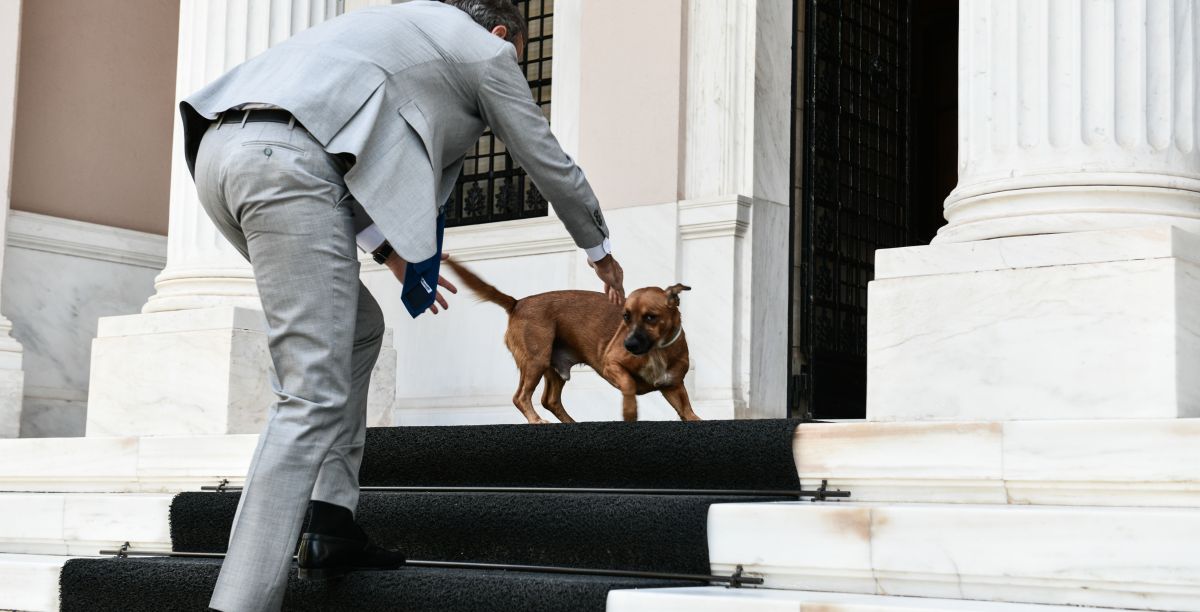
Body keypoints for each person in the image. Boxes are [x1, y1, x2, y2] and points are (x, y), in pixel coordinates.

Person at [179, 1, 626, 610]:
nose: (512, 67)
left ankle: (332, 524)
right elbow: (542, 156)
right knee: (309, 393)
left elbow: (338, 134)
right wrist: (599, 249)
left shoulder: (399, 24)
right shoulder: (488, 51)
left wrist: (387, 249)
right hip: (286, 168)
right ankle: (237, 602)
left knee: (360, 328)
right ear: (502, 33)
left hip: (220, 157)